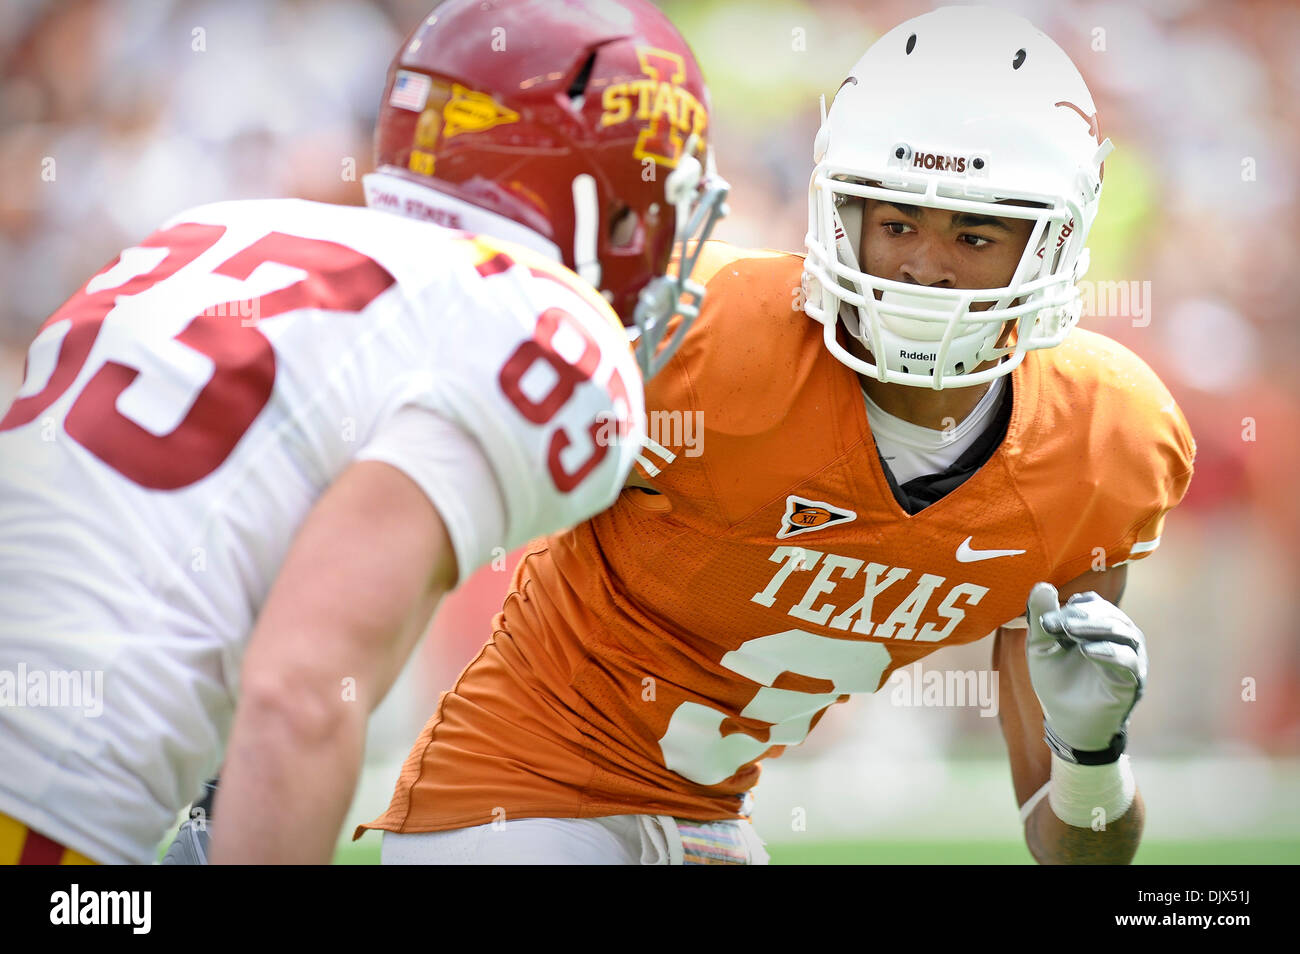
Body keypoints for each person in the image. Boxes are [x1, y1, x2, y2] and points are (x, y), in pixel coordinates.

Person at [361, 6, 1195, 865]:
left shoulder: (1103, 445)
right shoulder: (699, 333)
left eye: (975, 233)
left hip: (710, 815)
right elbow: (418, 480)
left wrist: (1092, 755)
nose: (923, 267)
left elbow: (1071, 853)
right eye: (898, 223)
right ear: (841, 211)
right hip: (514, 789)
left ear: (1054, 241)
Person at [0, 0, 727, 866]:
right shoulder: (532, 323)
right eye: (656, 201)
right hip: (43, 798)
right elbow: (304, 694)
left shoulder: (214, 230)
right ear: (593, 192)